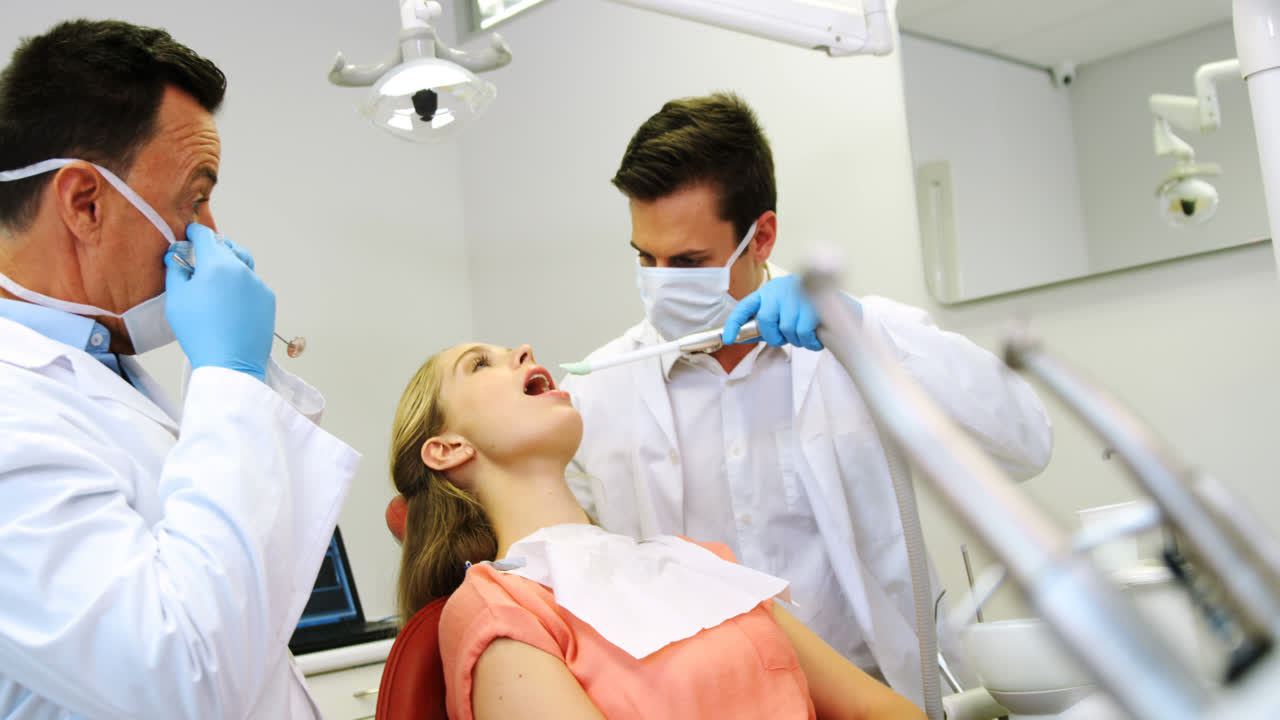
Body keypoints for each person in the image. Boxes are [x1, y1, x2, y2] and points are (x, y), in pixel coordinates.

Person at [559, 92, 1055, 706]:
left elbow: (1025, 443)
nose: (662, 284)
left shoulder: (854, 342)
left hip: (887, 699)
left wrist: (864, 334)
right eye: (646, 258)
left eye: (688, 262)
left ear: (761, 236)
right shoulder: (599, 389)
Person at [0, 19, 359, 718]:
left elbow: (247, 599)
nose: (209, 232)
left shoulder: (106, 372)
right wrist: (228, 378)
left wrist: (244, 379)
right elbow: (180, 677)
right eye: (195, 198)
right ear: (85, 203)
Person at [389, 341, 927, 720]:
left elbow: (873, 708)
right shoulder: (499, 609)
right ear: (448, 449)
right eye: (480, 364)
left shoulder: (692, 560)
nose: (524, 351)